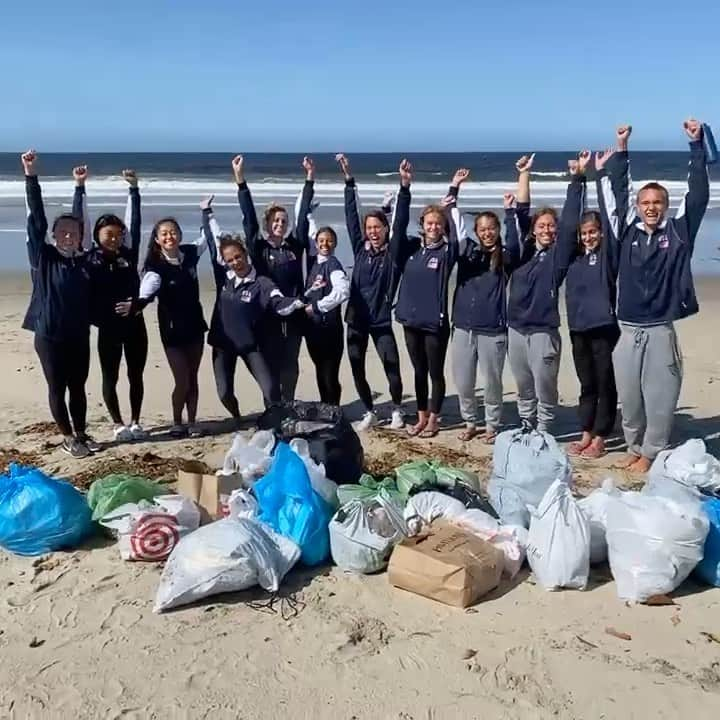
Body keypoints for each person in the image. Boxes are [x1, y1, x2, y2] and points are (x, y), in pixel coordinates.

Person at [606, 120, 710, 472]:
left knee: (661, 396)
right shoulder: (625, 233)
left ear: (665, 205)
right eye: (645, 202)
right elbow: (618, 193)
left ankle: (652, 452)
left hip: (660, 329)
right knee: (631, 397)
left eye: (657, 202)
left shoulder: (679, 233)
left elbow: (697, 197)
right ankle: (635, 446)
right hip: (627, 329)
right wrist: (621, 149)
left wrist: (696, 147)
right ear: (638, 206)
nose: (651, 207)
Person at [20, 150, 99, 458]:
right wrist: (31, 176)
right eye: (62, 232)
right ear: (53, 236)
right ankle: (67, 437)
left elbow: (82, 220)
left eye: (73, 233)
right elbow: (36, 219)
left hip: (78, 334)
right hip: (49, 334)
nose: (68, 236)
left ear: (80, 237)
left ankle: (80, 432)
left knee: (78, 387)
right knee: (58, 387)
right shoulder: (44, 257)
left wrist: (79, 187)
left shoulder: (84, 261)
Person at [200, 195, 306, 415]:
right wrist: (207, 213)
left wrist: (298, 301)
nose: (235, 262)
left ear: (246, 255)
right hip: (222, 345)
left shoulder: (261, 282)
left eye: (239, 257)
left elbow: (278, 301)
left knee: (270, 388)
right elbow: (214, 241)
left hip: (250, 345)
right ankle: (238, 417)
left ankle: (278, 418)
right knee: (224, 393)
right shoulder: (224, 277)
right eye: (230, 260)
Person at [73, 167, 148, 443]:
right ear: (97, 235)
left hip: (135, 326)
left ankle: (137, 421)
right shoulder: (89, 259)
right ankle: (117, 423)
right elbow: (80, 219)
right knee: (110, 376)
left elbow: (135, 225)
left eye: (118, 234)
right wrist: (80, 188)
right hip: (109, 330)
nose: (114, 238)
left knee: (136, 375)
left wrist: (134, 190)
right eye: (108, 234)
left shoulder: (128, 254)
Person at [393, 160, 466, 437]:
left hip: (435, 323)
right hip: (410, 320)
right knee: (418, 371)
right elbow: (398, 228)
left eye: (438, 223)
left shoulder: (447, 253)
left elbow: (459, 238)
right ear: (422, 225)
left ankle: (434, 418)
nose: (434, 227)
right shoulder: (410, 249)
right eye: (429, 222)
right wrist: (404, 187)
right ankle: (421, 415)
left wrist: (453, 193)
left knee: (435, 372)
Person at [558, 148, 623, 457]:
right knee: (587, 384)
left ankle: (601, 437)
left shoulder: (608, 257)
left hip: (603, 328)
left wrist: (598, 175)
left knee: (604, 382)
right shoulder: (572, 260)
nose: (588, 237)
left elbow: (612, 218)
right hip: (578, 329)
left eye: (593, 232)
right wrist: (576, 180)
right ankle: (586, 432)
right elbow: (569, 223)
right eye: (584, 233)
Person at [233, 154, 312, 402]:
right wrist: (240, 181)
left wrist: (309, 179)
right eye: (275, 220)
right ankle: (272, 407)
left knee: (291, 365)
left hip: (295, 315)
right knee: (270, 367)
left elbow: (303, 219)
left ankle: (287, 404)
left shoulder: (294, 245)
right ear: (267, 223)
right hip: (267, 317)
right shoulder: (259, 249)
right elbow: (248, 220)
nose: (280, 223)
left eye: (283, 220)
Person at [336, 153, 404, 430]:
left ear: (386, 229)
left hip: (381, 320)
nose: (373, 232)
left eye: (378, 227)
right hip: (355, 319)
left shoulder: (393, 255)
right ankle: (370, 411)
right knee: (356, 366)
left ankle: (398, 410)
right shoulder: (359, 249)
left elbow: (400, 223)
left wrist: (404, 187)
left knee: (392, 366)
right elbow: (351, 216)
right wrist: (349, 180)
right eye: (370, 228)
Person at [505, 153, 570, 434]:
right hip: (516, 329)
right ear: (533, 231)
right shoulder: (522, 254)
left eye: (550, 226)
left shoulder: (558, 257)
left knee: (545, 384)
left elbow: (570, 227)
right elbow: (521, 210)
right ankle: (526, 424)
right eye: (541, 225)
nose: (546, 229)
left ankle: (544, 428)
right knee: (523, 384)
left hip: (543, 331)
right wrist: (524, 174)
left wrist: (577, 179)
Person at [451, 191, 521, 443]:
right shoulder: (468, 252)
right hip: (462, 328)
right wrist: (454, 195)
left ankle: (492, 424)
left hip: (492, 330)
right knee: (463, 380)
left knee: (492, 382)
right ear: (476, 231)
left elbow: (514, 243)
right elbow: (455, 230)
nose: (486, 232)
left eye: (491, 228)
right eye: (481, 229)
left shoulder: (505, 257)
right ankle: (470, 421)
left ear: (497, 229)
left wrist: (510, 212)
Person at [136, 216, 208, 437]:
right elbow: (146, 291)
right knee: (182, 379)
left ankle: (193, 422)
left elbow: (208, 238)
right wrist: (137, 304)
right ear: (157, 240)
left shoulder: (190, 254)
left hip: (195, 327)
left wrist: (205, 213)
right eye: (164, 234)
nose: (170, 236)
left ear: (180, 234)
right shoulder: (155, 267)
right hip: (172, 332)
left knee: (193, 377)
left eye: (173, 232)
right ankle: (177, 421)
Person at [296, 157, 351, 405]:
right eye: (321, 241)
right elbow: (305, 221)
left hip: (330, 329)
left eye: (329, 241)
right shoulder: (313, 260)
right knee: (320, 372)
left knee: (330, 374)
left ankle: (334, 410)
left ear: (335, 244)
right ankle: (327, 408)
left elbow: (343, 291)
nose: (325, 244)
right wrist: (310, 178)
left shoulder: (334, 266)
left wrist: (317, 307)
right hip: (312, 330)